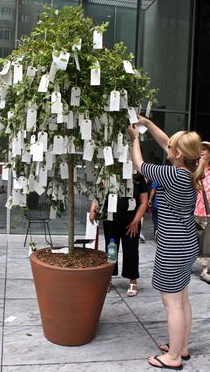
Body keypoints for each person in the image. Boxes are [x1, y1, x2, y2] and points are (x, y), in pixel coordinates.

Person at [127, 116, 206, 370]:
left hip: (172, 247)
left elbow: (139, 165)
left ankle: (172, 358)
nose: (167, 148)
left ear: (179, 154)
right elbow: (167, 143)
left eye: (171, 148)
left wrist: (135, 138)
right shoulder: (192, 170)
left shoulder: (171, 174)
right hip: (186, 244)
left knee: (171, 303)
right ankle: (180, 347)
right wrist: (148, 123)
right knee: (181, 299)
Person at [89, 172, 148, 297]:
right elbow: (98, 195)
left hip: (131, 221)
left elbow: (144, 202)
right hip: (111, 220)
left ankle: (132, 279)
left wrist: (136, 221)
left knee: (131, 250)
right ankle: (108, 277)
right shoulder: (108, 172)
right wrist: (93, 209)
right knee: (111, 249)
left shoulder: (137, 177)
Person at [194, 141, 210, 282]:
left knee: (206, 240)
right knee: (190, 237)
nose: (201, 151)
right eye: (200, 149)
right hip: (192, 209)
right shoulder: (195, 169)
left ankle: (205, 270)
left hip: (206, 210)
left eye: (204, 149)